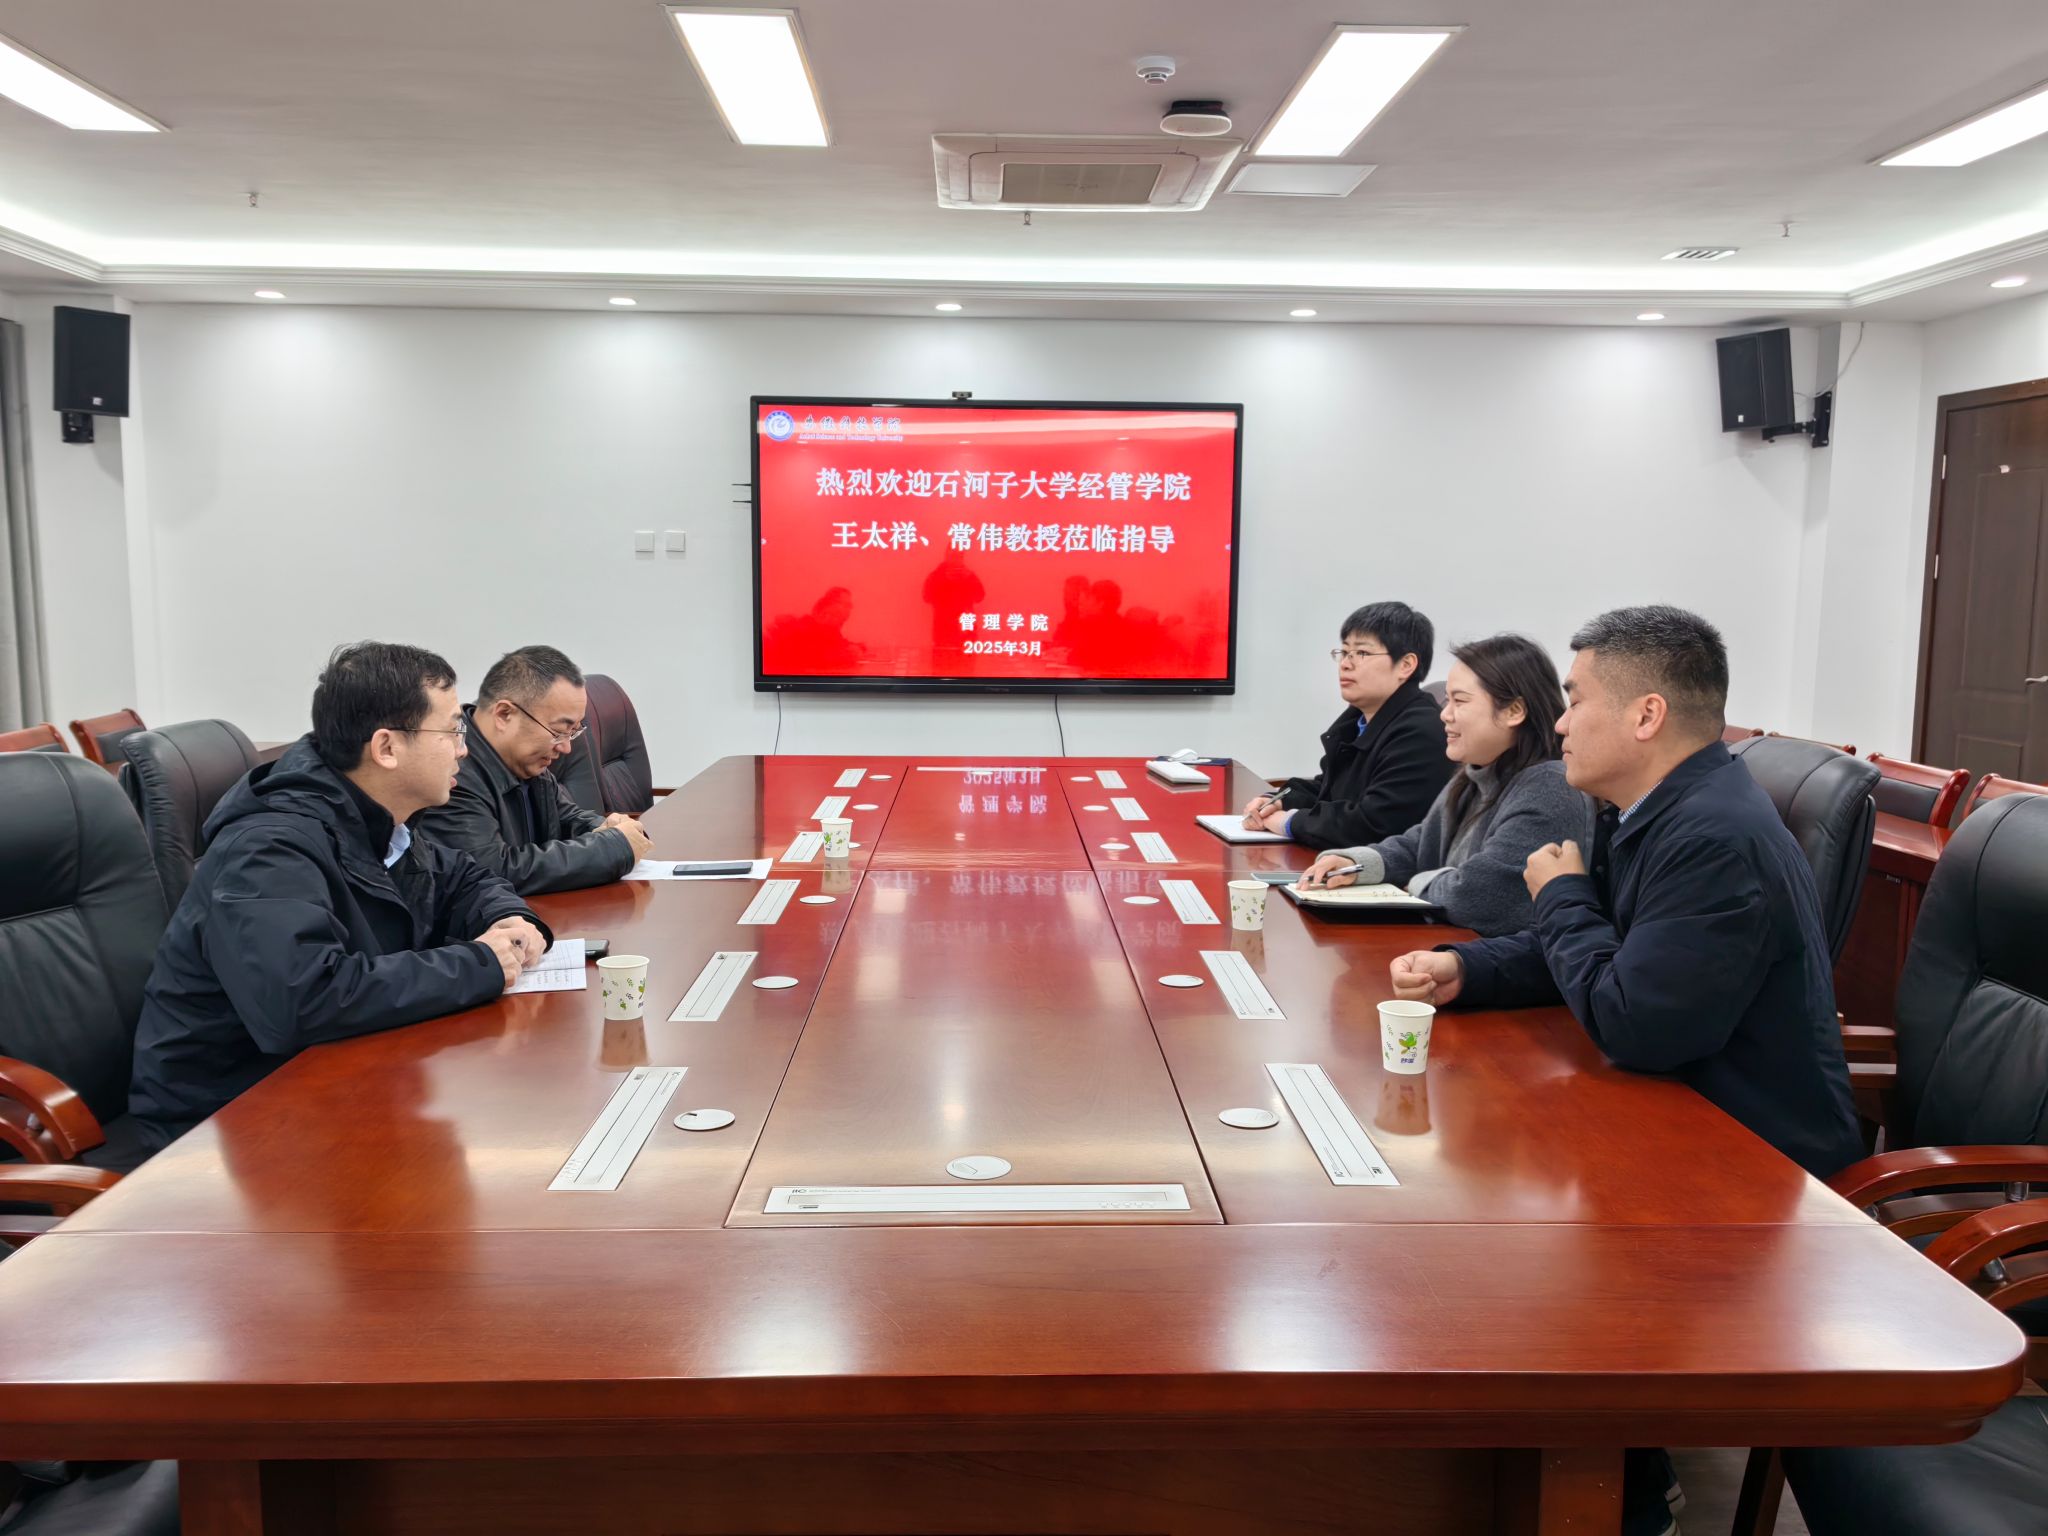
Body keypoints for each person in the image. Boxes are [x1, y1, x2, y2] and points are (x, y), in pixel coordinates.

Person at [1386, 605, 1861, 1536]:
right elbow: (1596, 950)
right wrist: (1468, 969)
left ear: (1646, 715)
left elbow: (1634, 1021)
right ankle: (1613, 1474)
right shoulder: (1653, 810)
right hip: (1681, 1119)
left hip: (1747, 1165)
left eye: (1575, 700)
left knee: (1494, 1253)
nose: (1560, 722)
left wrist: (1560, 891)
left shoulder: (1712, 837)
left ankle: (1609, 1493)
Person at [128, 642, 552, 1151]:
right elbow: (303, 1001)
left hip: (331, 1083)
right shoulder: (268, 850)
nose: (464, 750)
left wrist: (510, 918)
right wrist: (480, 964)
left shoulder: (375, 817)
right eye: (451, 732)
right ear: (387, 748)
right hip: (226, 1127)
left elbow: (461, 877)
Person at [1298, 634, 1590, 936]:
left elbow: (1477, 898)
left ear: (1514, 711)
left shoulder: (1549, 788)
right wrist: (1355, 864)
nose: (1444, 714)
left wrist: (1415, 883)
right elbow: (1422, 843)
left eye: (1459, 701)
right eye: (1447, 700)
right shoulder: (1476, 772)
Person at [414, 645, 650, 894]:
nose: (566, 747)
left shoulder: (523, 760)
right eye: (558, 732)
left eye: (573, 732)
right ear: (504, 714)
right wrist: (615, 846)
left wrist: (609, 827)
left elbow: (566, 818)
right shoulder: (453, 774)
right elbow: (492, 870)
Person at [1241, 600, 1453, 850]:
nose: (1345, 664)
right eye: (1343, 652)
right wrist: (1277, 800)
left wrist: (1288, 822)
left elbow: (1374, 825)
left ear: (1405, 665)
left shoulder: (1420, 731)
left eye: (1361, 653)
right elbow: (1327, 789)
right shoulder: (1359, 720)